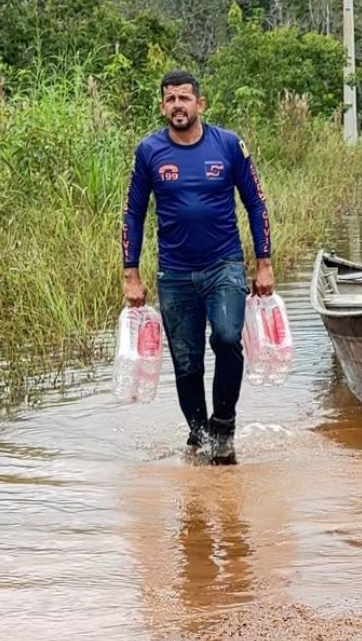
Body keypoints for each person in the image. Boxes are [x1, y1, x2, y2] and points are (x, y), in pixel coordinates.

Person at [121, 70, 275, 465]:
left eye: (184, 98)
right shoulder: (149, 151)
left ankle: (223, 426)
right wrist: (131, 273)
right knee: (186, 362)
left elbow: (255, 204)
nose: (178, 106)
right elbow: (133, 214)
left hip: (224, 265)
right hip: (174, 273)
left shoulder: (228, 145)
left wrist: (264, 264)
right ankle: (199, 434)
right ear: (162, 107)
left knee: (226, 338)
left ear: (200, 104)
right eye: (170, 99)